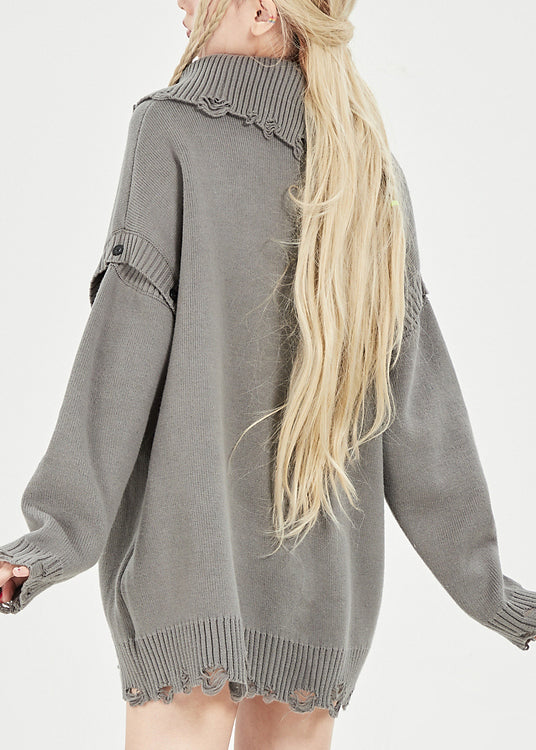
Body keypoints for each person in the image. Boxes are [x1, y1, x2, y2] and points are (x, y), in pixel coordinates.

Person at [1, 0, 535, 748]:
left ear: (259, 10)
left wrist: (53, 537)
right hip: (325, 591)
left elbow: (119, 354)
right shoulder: (372, 172)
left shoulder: (172, 130)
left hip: (189, 570)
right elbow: (421, 411)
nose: (180, 3)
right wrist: (492, 591)